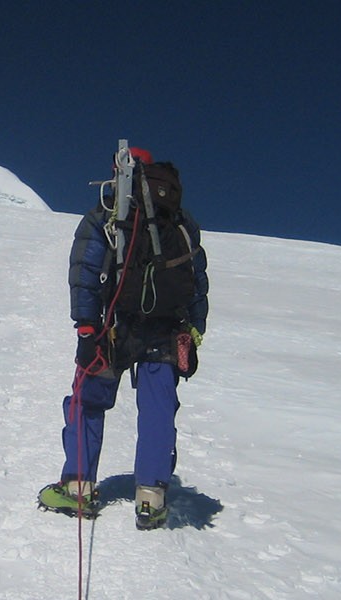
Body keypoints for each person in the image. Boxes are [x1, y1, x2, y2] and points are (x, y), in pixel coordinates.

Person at [38, 146, 210, 530]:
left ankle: (78, 487)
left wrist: (86, 328)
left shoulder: (105, 216)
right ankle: (151, 497)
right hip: (166, 330)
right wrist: (193, 332)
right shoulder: (180, 223)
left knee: (87, 401)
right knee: (158, 410)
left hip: (111, 326)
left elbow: (84, 271)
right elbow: (197, 279)